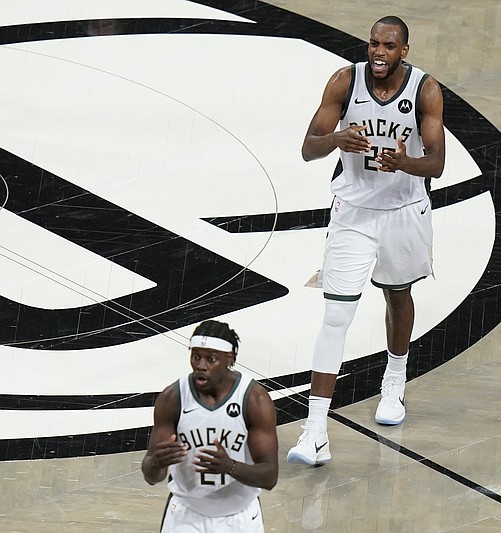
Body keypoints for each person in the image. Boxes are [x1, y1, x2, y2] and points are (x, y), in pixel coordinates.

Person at [286, 15, 445, 465]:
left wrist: (403, 163)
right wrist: (338, 137)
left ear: (404, 51)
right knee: (336, 314)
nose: (378, 52)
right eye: (374, 43)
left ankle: (394, 380)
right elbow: (308, 148)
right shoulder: (344, 81)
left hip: (402, 212)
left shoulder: (425, 90)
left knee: (398, 295)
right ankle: (315, 430)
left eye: (389, 46)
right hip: (353, 212)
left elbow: (436, 164)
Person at [141, 320, 279, 532]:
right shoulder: (172, 398)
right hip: (185, 516)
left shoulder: (254, 400)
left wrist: (230, 467)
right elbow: (152, 477)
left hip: (239, 518)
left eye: (210, 359)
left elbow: (270, 476)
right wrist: (156, 463)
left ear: (229, 359)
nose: (200, 366)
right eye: (196, 357)